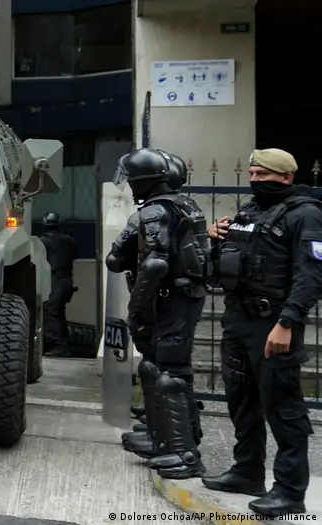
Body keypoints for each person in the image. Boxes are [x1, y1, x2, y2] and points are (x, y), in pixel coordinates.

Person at [202, 148, 321, 517]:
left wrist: (287, 323)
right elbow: (235, 259)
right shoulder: (250, 212)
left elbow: (311, 275)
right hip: (238, 320)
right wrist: (215, 237)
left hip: (274, 324)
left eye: (263, 174)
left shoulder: (306, 215)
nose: (254, 179)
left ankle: (288, 491)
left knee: (283, 409)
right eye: (252, 173)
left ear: (285, 177)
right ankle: (247, 471)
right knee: (242, 401)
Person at [107, 148, 210, 482]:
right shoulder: (185, 205)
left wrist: (136, 308)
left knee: (169, 373)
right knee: (157, 368)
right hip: (180, 298)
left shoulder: (153, 212)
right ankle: (161, 439)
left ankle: (184, 454)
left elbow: (145, 263)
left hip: (168, 301)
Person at [40, 212, 77, 357]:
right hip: (66, 281)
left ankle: (56, 345)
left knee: (51, 312)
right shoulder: (69, 240)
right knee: (59, 313)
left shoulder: (44, 241)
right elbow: (76, 254)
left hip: (54, 281)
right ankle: (64, 345)